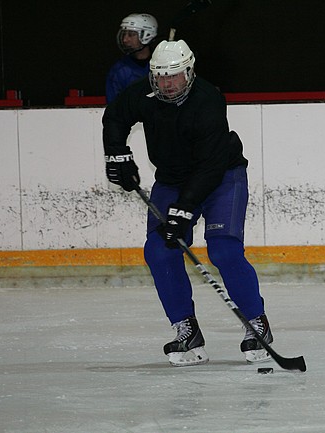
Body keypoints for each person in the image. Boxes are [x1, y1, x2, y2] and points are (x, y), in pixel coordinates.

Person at [102, 39, 273, 366]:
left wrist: (183, 210)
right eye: (160, 76)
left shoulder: (208, 100)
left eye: (174, 76)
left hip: (222, 177)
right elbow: (115, 117)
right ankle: (186, 330)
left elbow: (209, 167)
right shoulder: (143, 93)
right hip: (172, 180)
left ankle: (257, 323)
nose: (167, 84)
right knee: (158, 250)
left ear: (189, 72)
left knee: (224, 250)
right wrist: (117, 154)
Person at [105, 13, 158, 103]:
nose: (125, 40)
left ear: (147, 35)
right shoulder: (119, 71)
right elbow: (113, 106)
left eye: (131, 34)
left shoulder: (161, 65)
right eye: (124, 34)